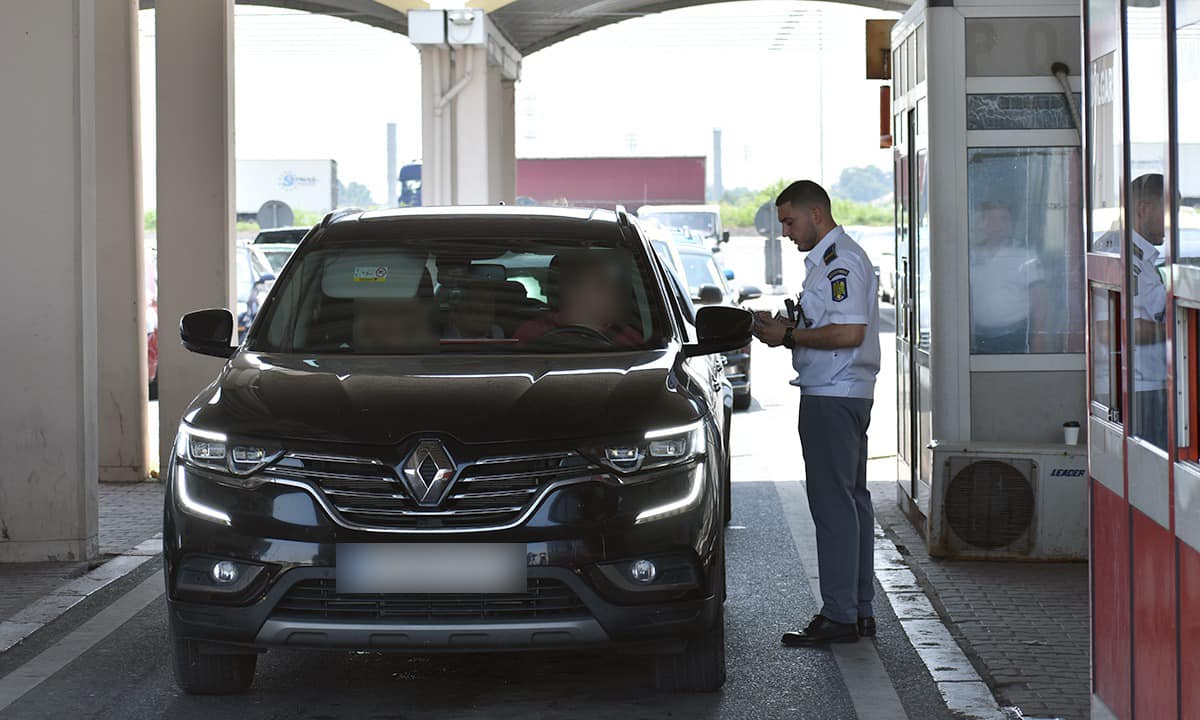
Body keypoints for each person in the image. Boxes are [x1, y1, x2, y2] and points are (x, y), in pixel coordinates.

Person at [752, 180, 881, 646]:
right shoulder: (830, 261)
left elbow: (848, 333)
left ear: (816, 215)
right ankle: (858, 609)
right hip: (844, 392)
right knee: (852, 502)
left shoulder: (838, 262)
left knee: (833, 506)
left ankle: (841, 615)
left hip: (833, 393)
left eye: (789, 221)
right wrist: (788, 327)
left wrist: (787, 336)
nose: (785, 231)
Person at [968, 202, 1049, 353]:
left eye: (1003, 219)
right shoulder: (972, 255)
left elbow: (1039, 297)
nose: (997, 225)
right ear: (982, 223)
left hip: (1015, 338)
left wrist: (1039, 336)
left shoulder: (1025, 254)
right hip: (979, 339)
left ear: (1011, 224)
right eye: (991, 219)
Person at [515, 251, 642, 346]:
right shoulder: (533, 332)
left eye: (613, 284)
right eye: (601, 285)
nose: (614, 292)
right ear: (573, 293)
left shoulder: (629, 337)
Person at [1129, 173, 1168, 448]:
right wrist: (1180, 333)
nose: (1173, 223)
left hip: (1153, 382)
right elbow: (1117, 329)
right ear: (1143, 210)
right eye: (1170, 213)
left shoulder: (1145, 259)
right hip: (1139, 389)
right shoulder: (1125, 258)